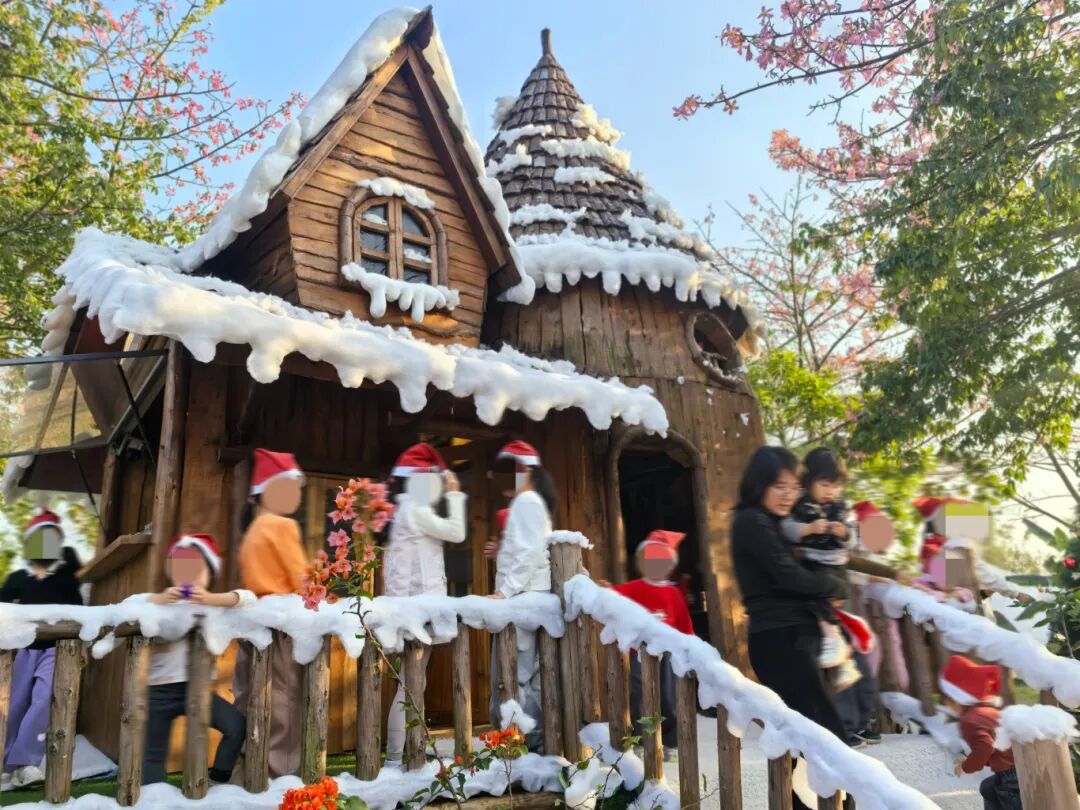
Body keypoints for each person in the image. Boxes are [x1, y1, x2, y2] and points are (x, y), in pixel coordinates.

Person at [731, 446, 849, 810]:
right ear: (759, 485)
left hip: (791, 636)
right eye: (779, 487)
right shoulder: (752, 521)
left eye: (794, 488)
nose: (789, 495)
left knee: (803, 739)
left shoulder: (773, 522)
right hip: (782, 638)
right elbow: (790, 576)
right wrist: (837, 586)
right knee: (825, 736)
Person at [382, 443, 467, 771]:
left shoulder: (403, 510)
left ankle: (401, 755)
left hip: (410, 607)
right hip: (418, 610)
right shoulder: (416, 510)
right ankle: (394, 760)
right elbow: (457, 532)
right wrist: (455, 494)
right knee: (409, 686)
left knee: (411, 684)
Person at [142, 534, 253, 784]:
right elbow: (129, 605)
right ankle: (153, 797)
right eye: (180, 567)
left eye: (195, 567)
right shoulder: (159, 604)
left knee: (236, 727)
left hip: (197, 689)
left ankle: (217, 781)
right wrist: (158, 599)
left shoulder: (212, 606)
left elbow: (248, 598)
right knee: (153, 755)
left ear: (209, 572)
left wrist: (211, 599)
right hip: (159, 690)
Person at [232, 448, 309, 779]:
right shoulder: (281, 525)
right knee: (283, 702)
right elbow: (301, 577)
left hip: (252, 622)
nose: (297, 496)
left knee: (248, 698)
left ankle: (245, 770)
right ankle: (281, 776)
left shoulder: (253, 529)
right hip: (281, 623)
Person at [0, 510, 82, 789]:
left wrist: (82, 647)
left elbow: (79, 613)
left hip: (55, 649)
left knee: (44, 699)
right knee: (13, 703)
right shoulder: (18, 578)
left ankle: (26, 763)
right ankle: (5, 761)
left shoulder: (65, 580)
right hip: (22, 650)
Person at [487, 440, 554, 751]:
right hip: (528, 596)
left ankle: (534, 746)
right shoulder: (529, 502)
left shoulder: (527, 502)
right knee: (524, 678)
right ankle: (534, 745)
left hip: (524, 597)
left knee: (513, 677)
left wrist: (505, 590)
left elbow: (530, 552)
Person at [780, 447, 861, 693]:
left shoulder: (842, 509)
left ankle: (836, 644)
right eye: (824, 485)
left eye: (835, 486)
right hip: (811, 562)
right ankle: (842, 660)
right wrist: (808, 529)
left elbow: (854, 539)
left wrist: (844, 533)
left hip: (835, 566)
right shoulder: (799, 506)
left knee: (821, 600)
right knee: (815, 604)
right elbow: (787, 528)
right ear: (809, 482)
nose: (830, 491)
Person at [613, 530, 695, 762]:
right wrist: (601, 588)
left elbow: (684, 624)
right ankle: (641, 740)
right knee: (640, 696)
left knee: (668, 697)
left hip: (668, 653)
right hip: (639, 652)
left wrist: (689, 649)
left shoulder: (673, 593)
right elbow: (611, 598)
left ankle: (670, 742)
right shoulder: (633, 588)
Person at [940, 656, 1021, 810]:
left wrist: (966, 766)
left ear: (956, 700)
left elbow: (985, 746)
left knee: (1007, 796)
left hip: (1011, 774)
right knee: (988, 788)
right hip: (1015, 766)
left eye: (947, 701)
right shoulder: (987, 711)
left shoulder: (969, 720)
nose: (946, 705)